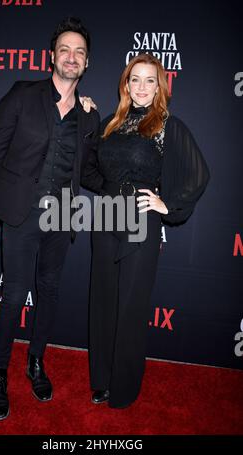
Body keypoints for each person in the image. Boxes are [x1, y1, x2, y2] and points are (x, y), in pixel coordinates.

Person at [0, 17, 99, 421]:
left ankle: (36, 362)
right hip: (20, 214)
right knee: (12, 296)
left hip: (62, 217)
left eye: (79, 51)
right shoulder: (22, 95)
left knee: (50, 292)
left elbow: (91, 171)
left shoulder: (89, 116)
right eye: (65, 49)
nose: (72, 57)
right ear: (52, 56)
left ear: (87, 62)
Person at [81, 53, 210, 409]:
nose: (140, 87)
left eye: (149, 80)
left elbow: (199, 174)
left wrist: (166, 204)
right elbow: (88, 170)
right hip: (105, 218)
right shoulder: (110, 123)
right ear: (125, 84)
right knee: (103, 301)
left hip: (140, 221)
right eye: (134, 79)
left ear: (160, 86)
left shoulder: (168, 126)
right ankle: (102, 380)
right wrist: (88, 120)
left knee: (132, 307)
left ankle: (123, 387)